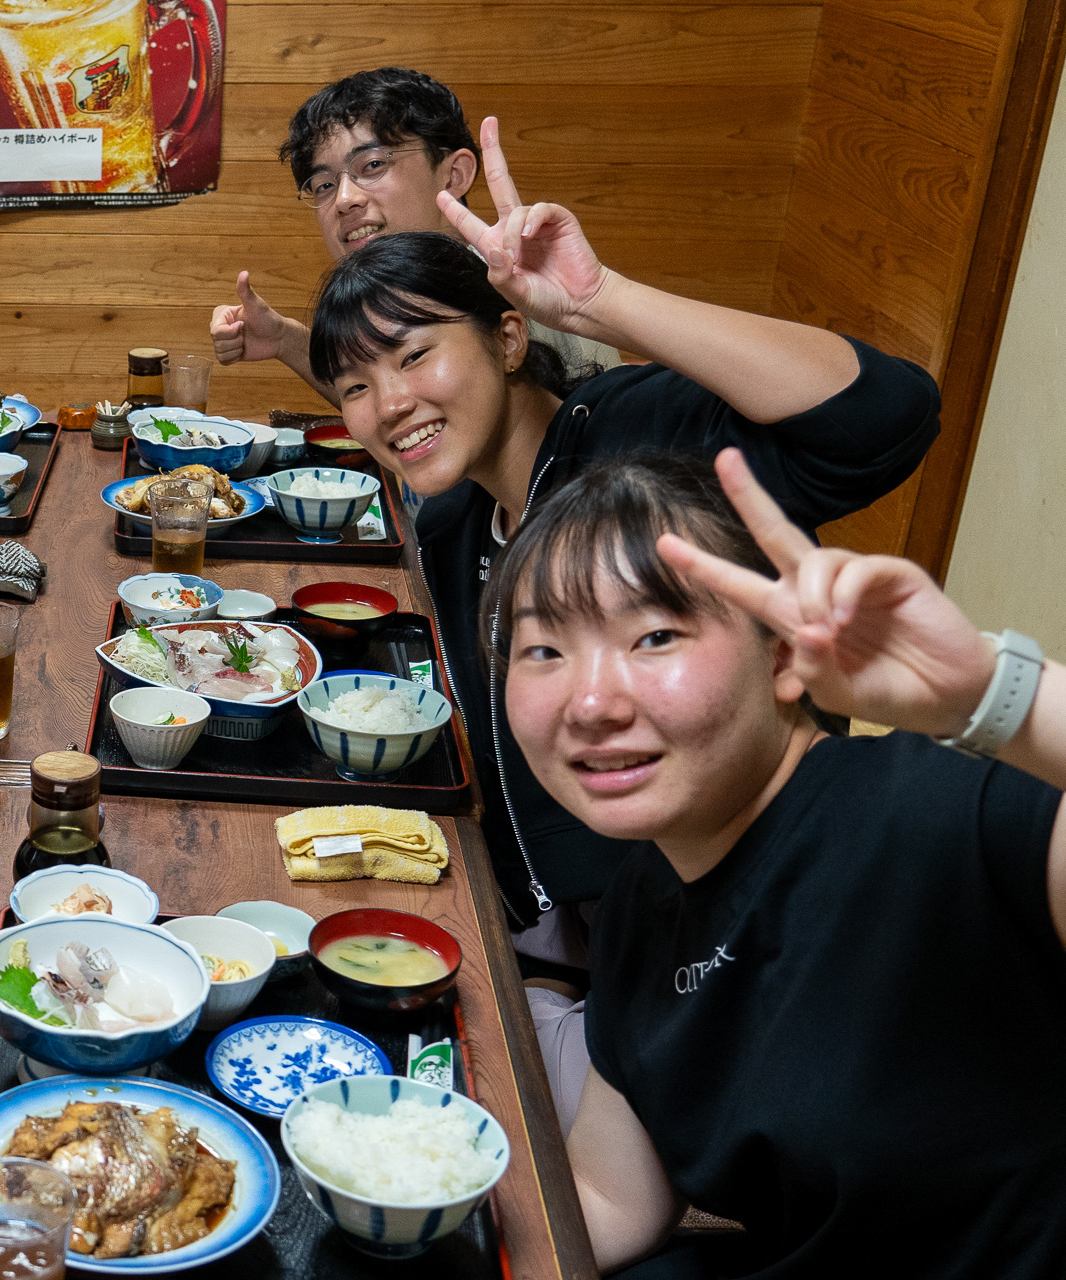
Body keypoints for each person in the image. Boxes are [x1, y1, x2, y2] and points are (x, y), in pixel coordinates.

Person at [304, 119, 941, 1124]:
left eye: (415, 355)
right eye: (354, 385)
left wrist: (602, 302)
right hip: (561, 959)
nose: (388, 404)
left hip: (730, 968)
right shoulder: (453, 515)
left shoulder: (633, 433)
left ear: (510, 335)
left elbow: (887, 415)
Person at [485, 449, 1066, 1276]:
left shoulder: (949, 816)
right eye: (544, 650)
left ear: (783, 655)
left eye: (655, 636)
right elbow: (609, 1196)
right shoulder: (649, 896)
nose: (590, 703)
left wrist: (993, 696)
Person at [210, 68, 618, 404]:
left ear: (453, 175)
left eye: (371, 165)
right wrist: (284, 339)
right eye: (323, 185)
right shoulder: (397, 290)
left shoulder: (518, 287)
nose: (344, 200)